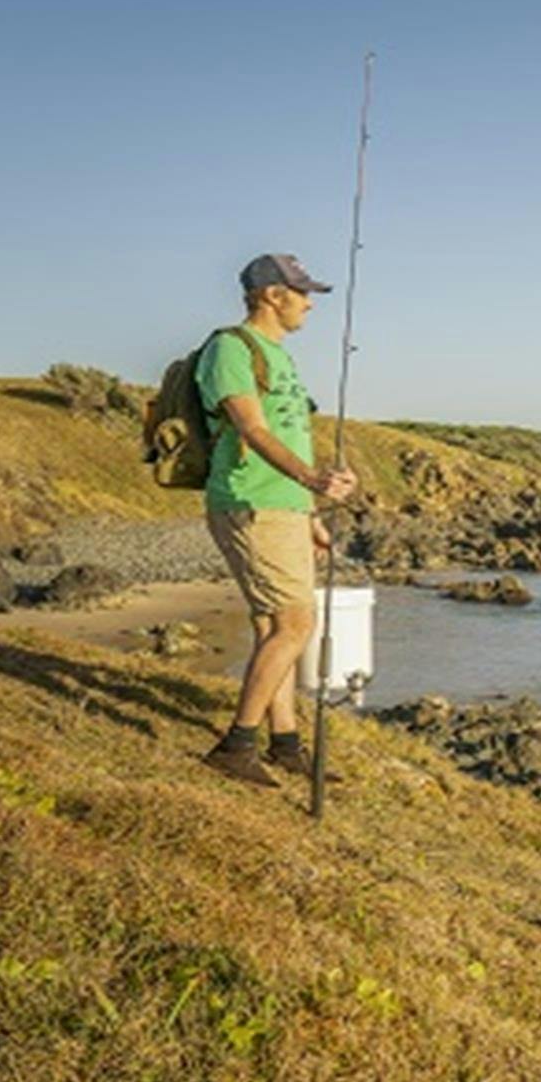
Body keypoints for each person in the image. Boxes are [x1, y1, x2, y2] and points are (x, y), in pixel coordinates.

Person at [198, 252, 358, 787]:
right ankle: (236, 746)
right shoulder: (230, 349)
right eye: (302, 292)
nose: (310, 304)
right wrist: (312, 478)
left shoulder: (279, 356)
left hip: (284, 507)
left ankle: (284, 743)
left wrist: (309, 511)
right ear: (272, 295)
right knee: (295, 624)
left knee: (274, 625)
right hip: (251, 503)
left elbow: (290, 433)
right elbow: (252, 430)